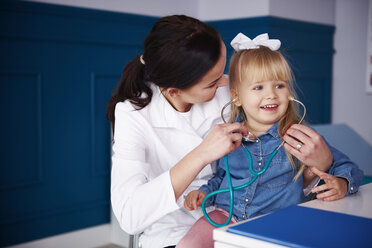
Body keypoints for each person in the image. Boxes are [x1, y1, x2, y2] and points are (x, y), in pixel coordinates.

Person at [177, 33, 364, 248]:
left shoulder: (298, 137)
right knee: (190, 244)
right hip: (226, 215)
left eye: (279, 86)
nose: (271, 95)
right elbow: (222, 177)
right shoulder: (228, 137)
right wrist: (204, 193)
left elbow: (349, 168)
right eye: (258, 87)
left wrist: (342, 183)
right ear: (237, 97)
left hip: (277, 220)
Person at [107, 15, 250, 248]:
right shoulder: (132, 115)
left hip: (233, 215)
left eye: (222, 74)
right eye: (212, 83)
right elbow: (130, 216)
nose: (225, 84)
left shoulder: (227, 92)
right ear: (174, 91)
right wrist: (202, 153)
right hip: (171, 232)